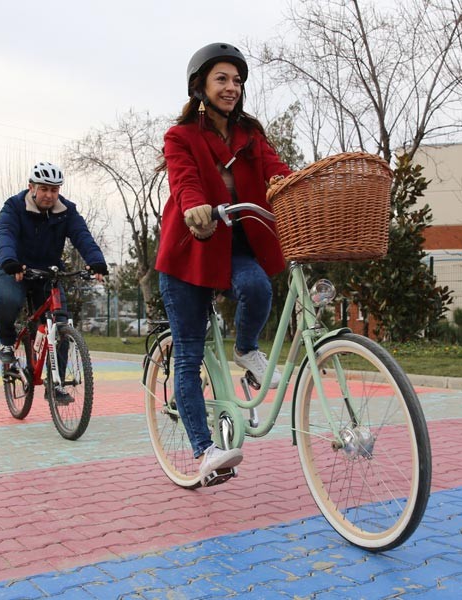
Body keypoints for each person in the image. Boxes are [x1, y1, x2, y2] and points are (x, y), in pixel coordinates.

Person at [155, 42, 292, 484]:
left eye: (237, 80)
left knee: (258, 287)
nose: (232, 87)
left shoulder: (250, 132)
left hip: (234, 246)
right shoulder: (182, 136)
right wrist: (195, 207)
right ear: (200, 86)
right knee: (189, 352)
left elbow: (275, 171)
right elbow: (184, 178)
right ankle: (205, 449)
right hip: (188, 252)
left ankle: (246, 347)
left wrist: (299, 188)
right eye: (222, 79)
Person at [0, 161, 108, 402]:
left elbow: (82, 236)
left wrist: (96, 261)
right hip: (15, 269)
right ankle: (5, 342)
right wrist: (10, 261)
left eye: (54, 190)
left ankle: (55, 385)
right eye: (44, 189)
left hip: (47, 273)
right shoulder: (14, 207)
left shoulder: (67, 211)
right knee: (8, 299)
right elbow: (4, 234)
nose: (49, 195)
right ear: (31, 187)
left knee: (60, 325)